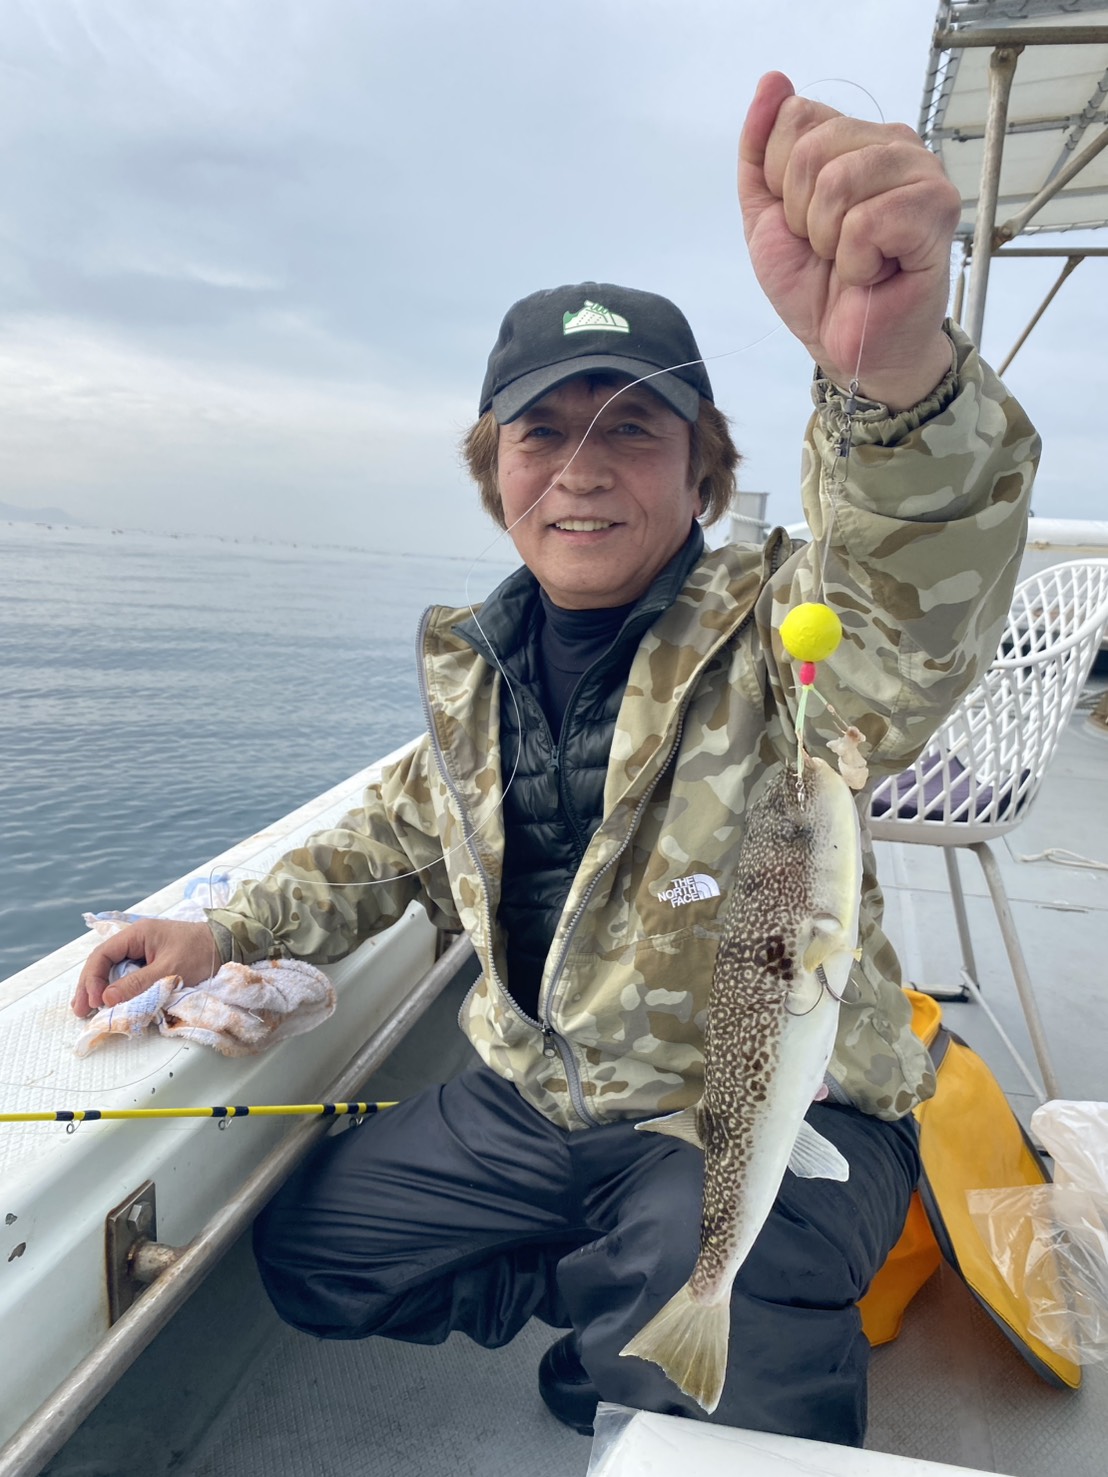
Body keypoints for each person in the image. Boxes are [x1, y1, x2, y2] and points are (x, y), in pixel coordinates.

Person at [73, 73, 1038, 1446]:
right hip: (542, 1100)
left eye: (632, 427)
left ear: (702, 472)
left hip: (767, 1101)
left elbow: (909, 596)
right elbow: (394, 839)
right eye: (543, 431)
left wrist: (894, 386)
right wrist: (222, 929)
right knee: (316, 1253)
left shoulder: (787, 632)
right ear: (497, 474)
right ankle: (614, 1309)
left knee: (715, 1286)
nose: (582, 469)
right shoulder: (481, 668)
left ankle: (680, 1328)